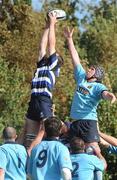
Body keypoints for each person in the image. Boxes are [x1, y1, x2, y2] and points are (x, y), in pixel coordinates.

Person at [64, 27, 116, 147]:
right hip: (75, 122)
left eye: (92, 69)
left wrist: (110, 96)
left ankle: (100, 164)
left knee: (94, 150)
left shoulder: (98, 86)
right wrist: (69, 39)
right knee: (74, 150)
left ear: (97, 74)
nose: (88, 69)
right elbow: (75, 58)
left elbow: (105, 93)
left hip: (88, 121)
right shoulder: (81, 77)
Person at [19, 12, 64, 149]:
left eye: (53, 55)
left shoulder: (53, 66)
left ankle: (38, 151)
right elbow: (42, 46)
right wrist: (46, 26)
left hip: (44, 100)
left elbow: (51, 45)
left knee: (48, 129)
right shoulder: (42, 64)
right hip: (33, 99)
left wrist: (52, 23)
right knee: (29, 134)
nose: (49, 55)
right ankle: (27, 158)